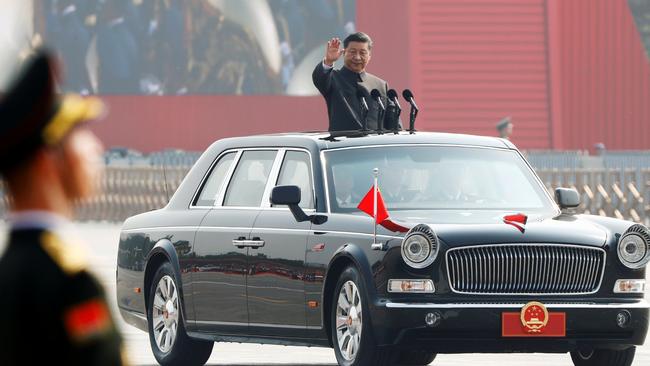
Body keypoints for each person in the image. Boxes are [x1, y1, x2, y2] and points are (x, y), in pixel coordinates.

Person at [0, 51, 126, 365]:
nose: (95, 148)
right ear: (47, 162)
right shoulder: (70, 283)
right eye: (78, 137)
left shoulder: (8, 272)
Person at [312, 32, 397, 131]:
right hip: (343, 144)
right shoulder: (333, 78)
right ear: (344, 53)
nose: (357, 57)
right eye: (352, 52)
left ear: (369, 56)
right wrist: (328, 61)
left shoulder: (380, 85)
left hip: (375, 144)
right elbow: (320, 78)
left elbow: (393, 124)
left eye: (362, 53)